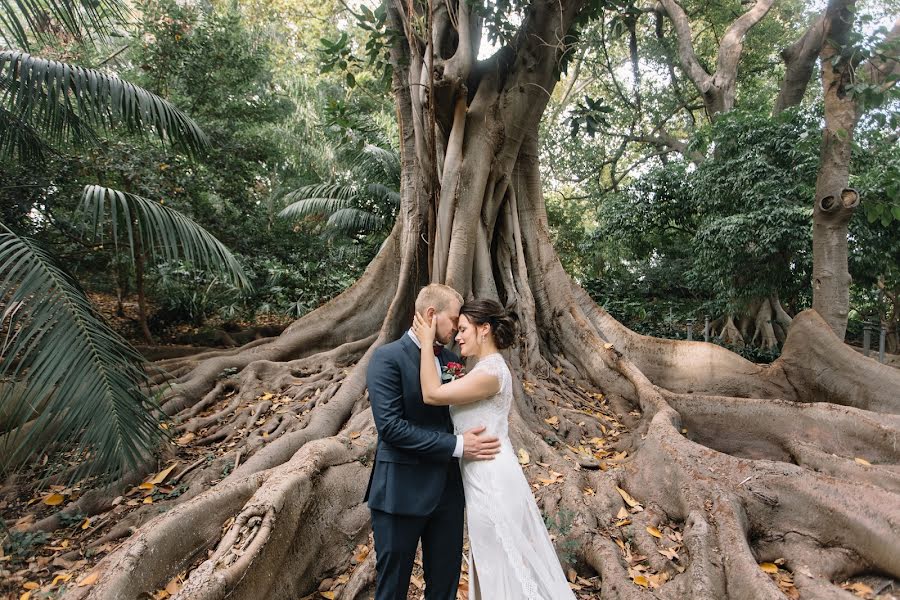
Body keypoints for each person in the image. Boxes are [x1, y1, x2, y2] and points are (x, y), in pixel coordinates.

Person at [412, 298, 577, 600]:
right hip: (479, 478)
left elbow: (432, 393)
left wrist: (425, 343)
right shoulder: (481, 369)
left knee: (502, 566)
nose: (457, 336)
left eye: (463, 329)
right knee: (490, 565)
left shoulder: (491, 373)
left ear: (484, 329)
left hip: (493, 481)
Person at [364, 284, 501, 600]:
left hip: (447, 494)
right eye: (454, 320)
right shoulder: (387, 358)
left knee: (445, 587)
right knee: (392, 588)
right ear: (430, 314)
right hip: (400, 492)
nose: (457, 329)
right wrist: (458, 446)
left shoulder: (453, 359)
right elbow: (391, 428)